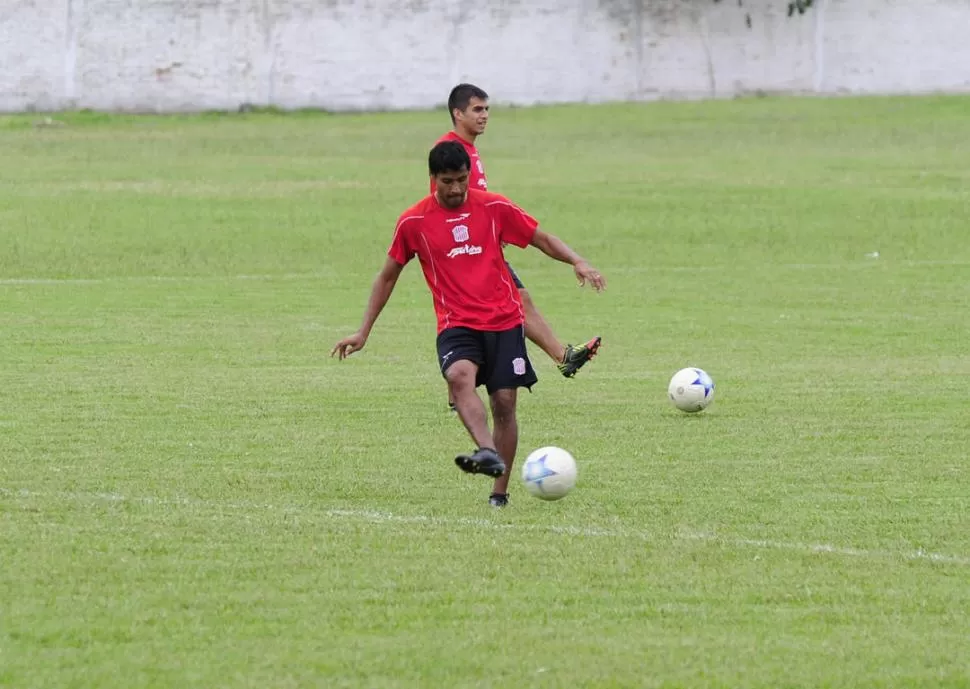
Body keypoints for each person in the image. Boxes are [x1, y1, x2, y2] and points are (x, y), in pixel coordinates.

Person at [332, 141, 606, 508]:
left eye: (462, 179)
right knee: (459, 377)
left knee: (505, 403)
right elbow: (386, 277)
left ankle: (499, 494)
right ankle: (487, 451)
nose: (457, 189)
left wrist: (577, 260)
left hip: (505, 320)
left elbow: (539, 238)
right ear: (432, 179)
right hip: (456, 323)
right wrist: (363, 330)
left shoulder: (493, 206)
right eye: (448, 181)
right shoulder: (413, 222)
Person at [434, 84, 602, 392]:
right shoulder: (451, 150)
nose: (484, 116)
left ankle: (561, 357)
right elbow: (444, 202)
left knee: (517, 299)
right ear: (458, 114)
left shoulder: (469, 148)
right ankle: (461, 386)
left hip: (483, 246)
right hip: (466, 252)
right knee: (481, 311)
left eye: (486, 109)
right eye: (477, 110)